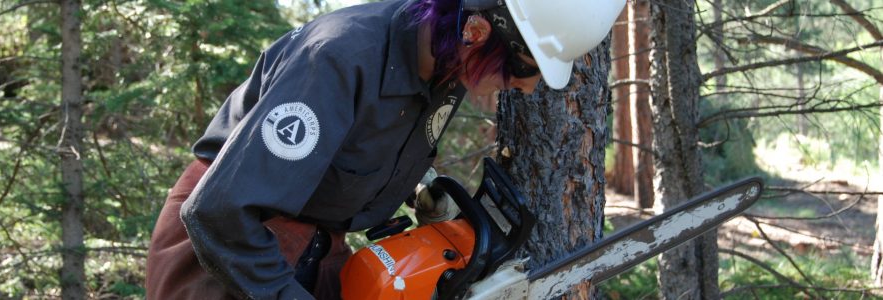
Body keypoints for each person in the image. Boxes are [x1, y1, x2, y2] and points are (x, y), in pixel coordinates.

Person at [145, 0, 624, 299]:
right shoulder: (337, 59)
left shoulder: (447, 68)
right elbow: (218, 212)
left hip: (314, 243)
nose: (525, 86)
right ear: (477, 30)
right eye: (523, 65)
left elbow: (367, 147)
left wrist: (424, 195)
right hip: (226, 248)